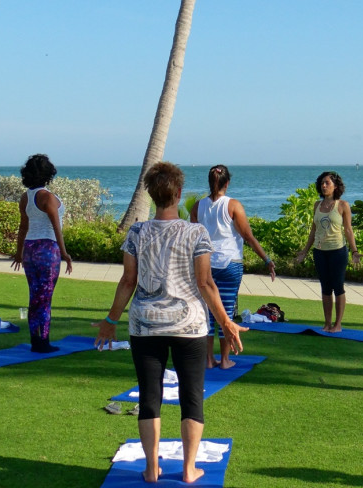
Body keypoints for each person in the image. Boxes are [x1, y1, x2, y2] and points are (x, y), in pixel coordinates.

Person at [94, 162, 248, 484]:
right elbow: (205, 283)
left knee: (151, 396)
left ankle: (151, 468)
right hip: (189, 326)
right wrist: (226, 323)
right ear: (178, 194)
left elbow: (127, 281)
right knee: (192, 395)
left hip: (145, 325)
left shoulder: (137, 231)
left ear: (151, 194)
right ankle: (190, 469)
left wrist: (111, 320)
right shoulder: (196, 232)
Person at [190, 164, 276, 369]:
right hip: (230, 264)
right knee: (226, 312)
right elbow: (248, 236)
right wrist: (267, 260)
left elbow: (192, 238)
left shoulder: (197, 206)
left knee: (209, 312)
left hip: (205, 264)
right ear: (227, 183)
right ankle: (225, 360)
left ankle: (208, 359)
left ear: (210, 182)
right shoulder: (233, 205)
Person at [11, 154, 73, 353]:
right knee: (45, 297)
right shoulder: (47, 197)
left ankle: (35, 340)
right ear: (48, 174)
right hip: (48, 249)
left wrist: (19, 253)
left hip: (30, 248)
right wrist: (64, 253)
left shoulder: (25, 197)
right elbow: (56, 227)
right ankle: (43, 342)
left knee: (35, 296)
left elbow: (23, 227)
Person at [295, 171, 360, 333]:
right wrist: (304, 251)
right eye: (322, 183)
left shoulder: (343, 205)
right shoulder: (317, 205)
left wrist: (355, 251)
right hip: (320, 252)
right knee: (325, 288)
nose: (324, 186)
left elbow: (348, 230)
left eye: (327, 183)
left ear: (335, 186)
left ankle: (337, 324)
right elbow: (313, 230)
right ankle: (327, 323)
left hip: (337, 251)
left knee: (337, 286)